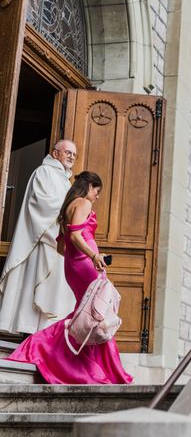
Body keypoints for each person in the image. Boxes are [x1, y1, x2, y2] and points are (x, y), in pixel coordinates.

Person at [5, 172, 132, 384]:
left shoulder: (69, 206)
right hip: (88, 264)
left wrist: (79, 259)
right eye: (97, 191)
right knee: (97, 315)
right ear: (89, 186)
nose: (97, 196)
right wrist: (93, 256)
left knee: (87, 316)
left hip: (74, 265)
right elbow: (75, 236)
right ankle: (43, 347)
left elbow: (63, 246)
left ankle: (93, 366)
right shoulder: (83, 203)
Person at [0, 140, 77, 334]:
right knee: (38, 286)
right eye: (67, 152)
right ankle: (31, 332)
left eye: (74, 155)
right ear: (54, 153)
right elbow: (42, 204)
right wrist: (70, 213)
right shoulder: (44, 172)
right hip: (44, 240)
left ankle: (47, 333)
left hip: (58, 242)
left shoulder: (65, 180)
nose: (71, 157)